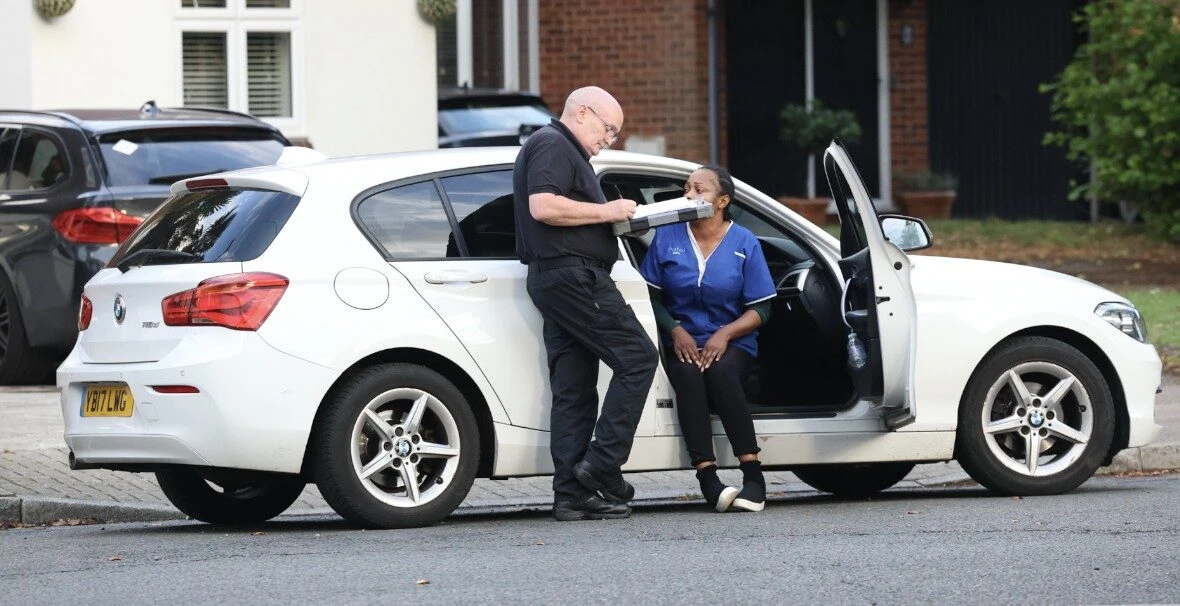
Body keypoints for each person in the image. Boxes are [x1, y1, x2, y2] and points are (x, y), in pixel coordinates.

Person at [513, 85, 659, 522]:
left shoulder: (562, 150)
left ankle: (572, 494)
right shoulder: (554, 142)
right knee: (639, 357)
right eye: (608, 129)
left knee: (574, 387)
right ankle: (603, 465)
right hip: (573, 276)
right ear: (583, 113)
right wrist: (609, 211)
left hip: (558, 277)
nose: (609, 140)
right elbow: (543, 207)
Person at [639, 165, 775, 512]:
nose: (689, 195)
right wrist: (675, 329)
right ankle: (708, 479)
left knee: (721, 372)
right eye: (687, 188)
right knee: (687, 375)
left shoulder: (744, 241)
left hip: (732, 341)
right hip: (682, 339)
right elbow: (649, 296)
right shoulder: (667, 237)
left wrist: (724, 334)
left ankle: (753, 477)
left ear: (722, 201)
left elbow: (762, 309)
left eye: (699, 190)